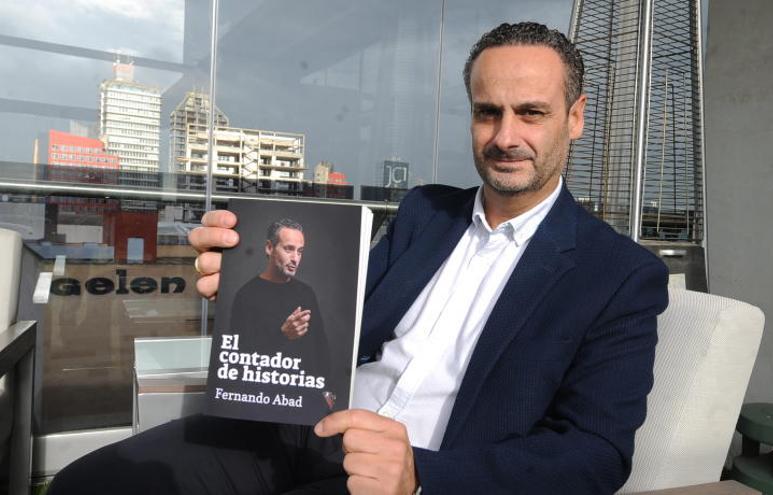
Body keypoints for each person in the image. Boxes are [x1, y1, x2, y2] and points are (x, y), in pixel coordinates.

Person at [48, 21, 667, 495]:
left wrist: (421, 475)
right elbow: (330, 323)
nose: (506, 137)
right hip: (301, 427)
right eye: (488, 113)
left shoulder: (617, 275)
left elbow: (595, 453)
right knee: (88, 485)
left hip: (417, 473)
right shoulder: (427, 212)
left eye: (531, 113)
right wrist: (241, 284)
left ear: (576, 118)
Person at [219, 219, 335, 422]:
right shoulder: (246, 295)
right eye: (289, 249)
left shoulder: (306, 293)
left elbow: (320, 347)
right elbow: (238, 358)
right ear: (269, 248)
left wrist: (328, 392)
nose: (295, 258)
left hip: (306, 404)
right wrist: (282, 335)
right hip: (262, 403)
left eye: (300, 251)